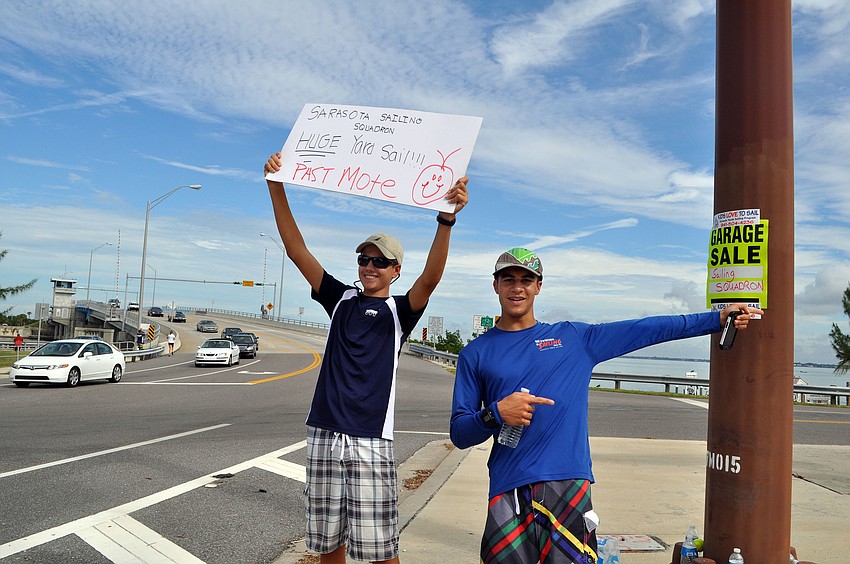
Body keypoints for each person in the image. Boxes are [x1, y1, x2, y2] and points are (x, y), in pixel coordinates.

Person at [449, 248, 763, 564]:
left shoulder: (573, 338)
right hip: (508, 487)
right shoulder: (475, 354)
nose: (517, 288)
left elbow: (647, 329)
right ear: (496, 285)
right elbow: (460, 434)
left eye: (526, 280)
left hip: (567, 481)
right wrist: (496, 413)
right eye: (509, 280)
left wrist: (715, 318)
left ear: (539, 286)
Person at [264, 151, 469, 564]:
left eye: (380, 261)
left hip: (371, 439)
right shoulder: (338, 298)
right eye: (364, 259)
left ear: (395, 270)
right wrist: (276, 185)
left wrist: (446, 219)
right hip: (324, 433)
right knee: (326, 546)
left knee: (380, 550)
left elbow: (431, 277)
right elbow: (295, 249)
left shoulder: (399, 311)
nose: (370, 266)